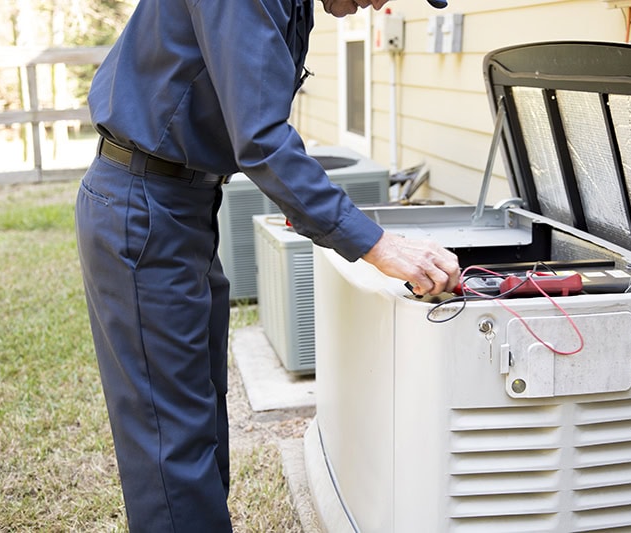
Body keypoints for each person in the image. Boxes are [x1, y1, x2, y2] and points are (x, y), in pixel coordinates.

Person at [74, 0, 458, 531]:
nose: (380, 4)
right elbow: (260, 140)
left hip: (182, 204)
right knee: (171, 443)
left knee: (200, 416)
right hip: (145, 206)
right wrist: (377, 244)